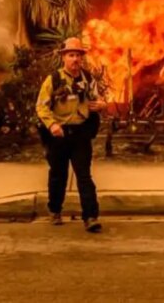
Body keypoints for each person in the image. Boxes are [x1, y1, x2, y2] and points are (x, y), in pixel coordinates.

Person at [36, 37, 106, 233]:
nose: (75, 59)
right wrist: (52, 126)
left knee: (84, 176)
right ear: (64, 58)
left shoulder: (88, 79)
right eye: (71, 55)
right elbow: (41, 108)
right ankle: (55, 210)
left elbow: (96, 99)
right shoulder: (53, 80)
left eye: (78, 55)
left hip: (80, 134)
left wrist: (101, 105)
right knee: (58, 175)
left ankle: (90, 217)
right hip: (58, 135)